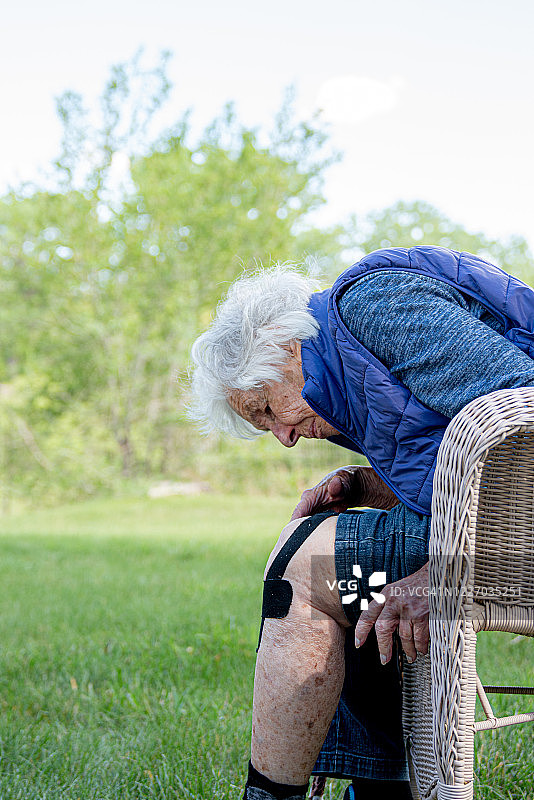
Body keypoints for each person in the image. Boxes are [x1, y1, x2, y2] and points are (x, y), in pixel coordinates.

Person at [189, 245, 534, 800]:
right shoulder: (352, 370)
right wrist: (367, 484)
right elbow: (458, 464)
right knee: (343, 558)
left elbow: (522, 430)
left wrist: (442, 575)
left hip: (516, 544)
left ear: (281, 353)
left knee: (306, 564)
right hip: (508, 525)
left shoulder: (376, 304)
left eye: (266, 411)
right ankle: (375, 789)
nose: (282, 436)